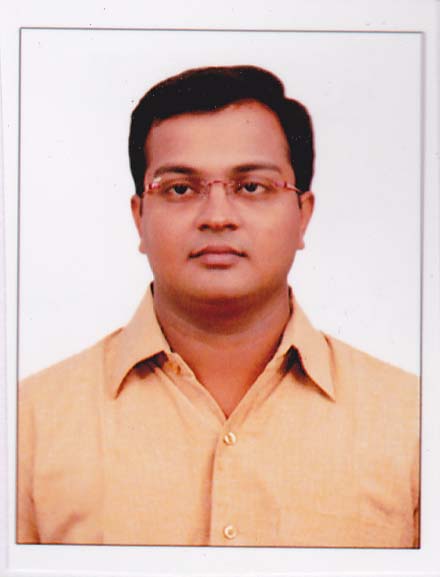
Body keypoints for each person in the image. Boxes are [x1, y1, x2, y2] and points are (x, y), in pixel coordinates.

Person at [17, 65, 419, 547]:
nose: (218, 217)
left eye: (251, 187)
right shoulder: (27, 423)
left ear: (302, 215)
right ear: (139, 217)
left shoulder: (413, 422)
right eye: (180, 189)